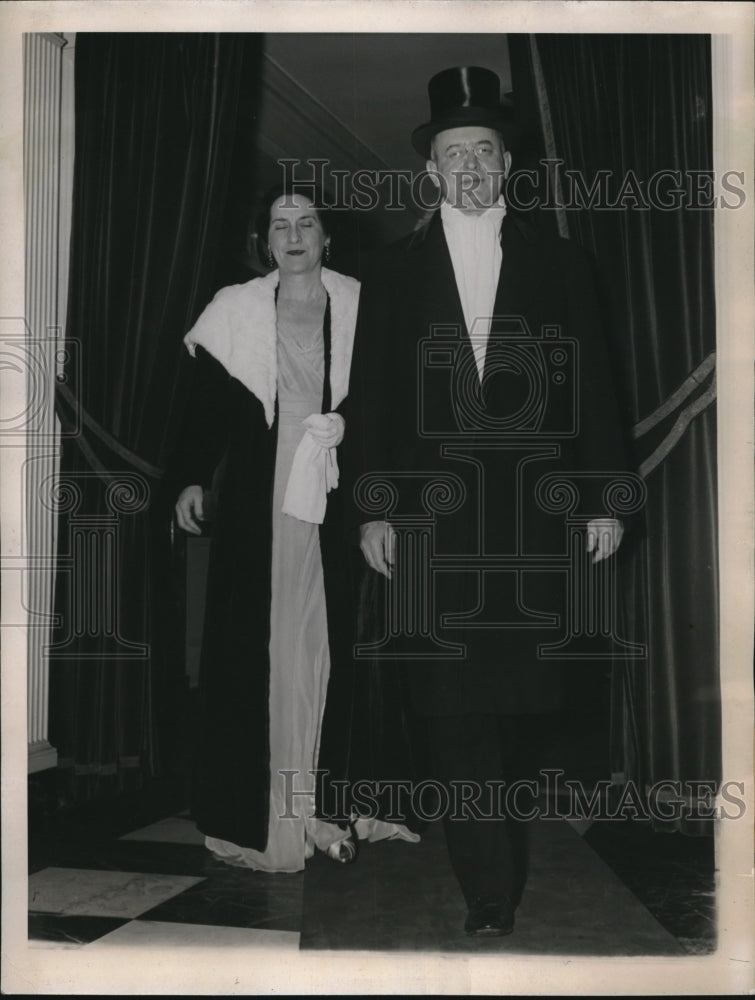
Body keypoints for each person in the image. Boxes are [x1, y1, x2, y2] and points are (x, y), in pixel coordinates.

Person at [345, 67, 631, 934]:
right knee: (447, 706)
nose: (467, 166)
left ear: (506, 165)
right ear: (430, 173)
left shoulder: (561, 261)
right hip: (430, 522)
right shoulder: (391, 275)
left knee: (518, 708)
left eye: (482, 151)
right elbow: (373, 399)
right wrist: (373, 508)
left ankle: (498, 825)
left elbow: (593, 389)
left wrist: (602, 498)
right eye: (450, 153)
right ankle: (488, 891)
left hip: (531, 520)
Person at [171, 184, 413, 872]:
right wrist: (190, 477)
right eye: (281, 224)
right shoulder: (233, 310)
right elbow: (205, 411)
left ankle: (330, 809)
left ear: (327, 236)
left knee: (334, 643)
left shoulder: (363, 302)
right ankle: (275, 817)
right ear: (265, 240)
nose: (295, 234)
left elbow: (389, 408)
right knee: (265, 648)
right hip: (261, 502)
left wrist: (369, 468)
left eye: (307, 222)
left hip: (340, 496)